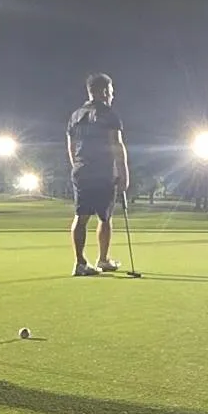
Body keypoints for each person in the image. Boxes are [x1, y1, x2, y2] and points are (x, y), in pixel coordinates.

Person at [67, 72, 129, 276]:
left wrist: (77, 166)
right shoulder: (109, 115)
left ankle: (80, 263)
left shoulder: (75, 116)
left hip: (81, 171)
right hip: (103, 172)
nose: (112, 95)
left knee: (81, 216)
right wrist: (123, 172)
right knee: (105, 216)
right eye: (111, 91)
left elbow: (71, 146)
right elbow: (116, 144)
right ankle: (102, 259)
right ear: (103, 92)